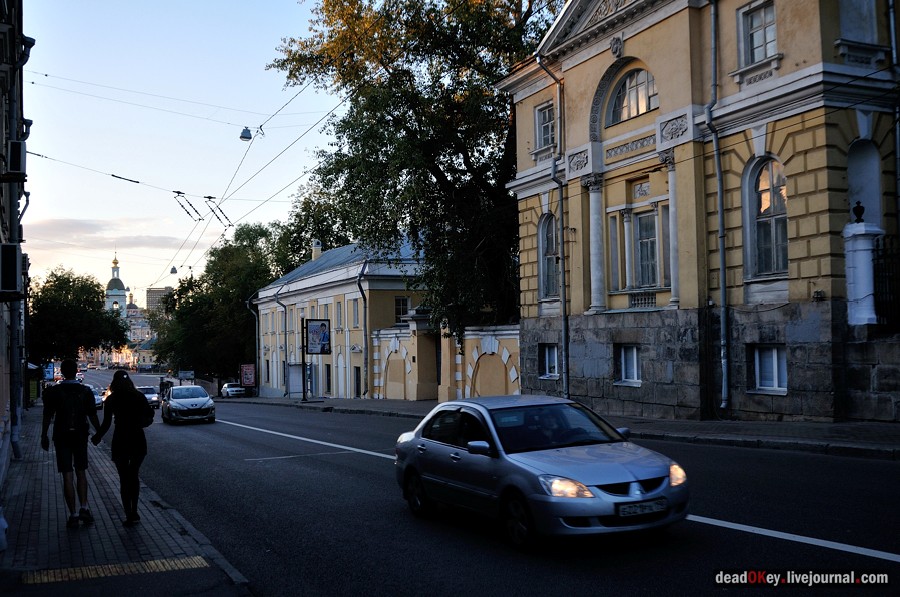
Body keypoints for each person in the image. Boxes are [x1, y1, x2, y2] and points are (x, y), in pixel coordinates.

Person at [41, 359, 102, 529]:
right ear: (76, 371)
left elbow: (47, 415)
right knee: (81, 472)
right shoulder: (85, 391)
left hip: (61, 435)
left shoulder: (55, 391)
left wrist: (43, 435)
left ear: (62, 372)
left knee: (67, 474)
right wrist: (99, 432)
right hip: (80, 435)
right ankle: (84, 507)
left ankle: (73, 514)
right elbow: (92, 415)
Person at [92, 369, 154, 527]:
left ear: (114, 382)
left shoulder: (111, 399)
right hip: (137, 438)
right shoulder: (138, 396)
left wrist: (97, 436)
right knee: (134, 475)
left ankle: (128, 514)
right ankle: (134, 510)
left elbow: (106, 423)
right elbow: (149, 415)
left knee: (124, 479)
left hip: (120, 440)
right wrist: (141, 422)